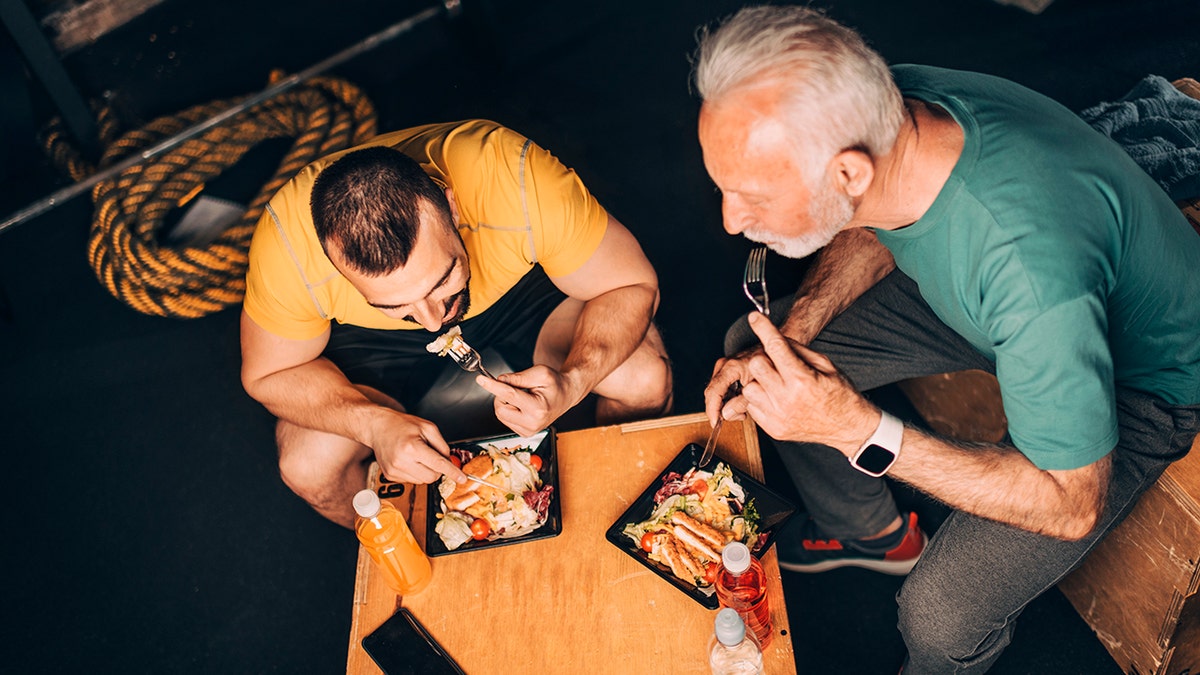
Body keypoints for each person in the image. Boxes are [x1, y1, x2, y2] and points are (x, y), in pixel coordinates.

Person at [693, 6, 1200, 673]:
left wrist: (853, 428)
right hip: (1001, 310)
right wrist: (793, 334)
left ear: (847, 172)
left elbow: (1073, 502)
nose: (733, 221)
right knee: (761, 361)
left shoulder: (1029, 271)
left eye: (749, 194)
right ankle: (872, 534)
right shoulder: (892, 106)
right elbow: (873, 222)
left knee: (938, 615)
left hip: (1139, 380)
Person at [240, 120, 673, 528]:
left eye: (441, 280)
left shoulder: (513, 176)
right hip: (372, 345)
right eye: (393, 303)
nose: (433, 321)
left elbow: (633, 283)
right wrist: (370, 423)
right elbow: (268, 375)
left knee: (643, 379)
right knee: (306, 466)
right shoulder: (287, 251)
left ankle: (603, 513)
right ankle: (416, 553)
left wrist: (576, 380)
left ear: (450, 205)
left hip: (520, 297)